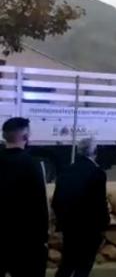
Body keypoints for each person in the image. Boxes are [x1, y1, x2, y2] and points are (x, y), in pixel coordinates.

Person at [52, 138, 110, 277]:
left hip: (69, 226)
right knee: (84, 265)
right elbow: (99, 203)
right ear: (94, 152)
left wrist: (62, 220)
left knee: (67, 263)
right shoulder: (97, 173)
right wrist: (104, 224)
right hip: (90, 227)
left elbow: (56, 201)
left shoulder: (66, 171)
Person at [0, 117, 49, 277]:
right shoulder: (33, 165)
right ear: (26, 137)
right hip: (27, 242)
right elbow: (40, 206)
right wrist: (43, 238)